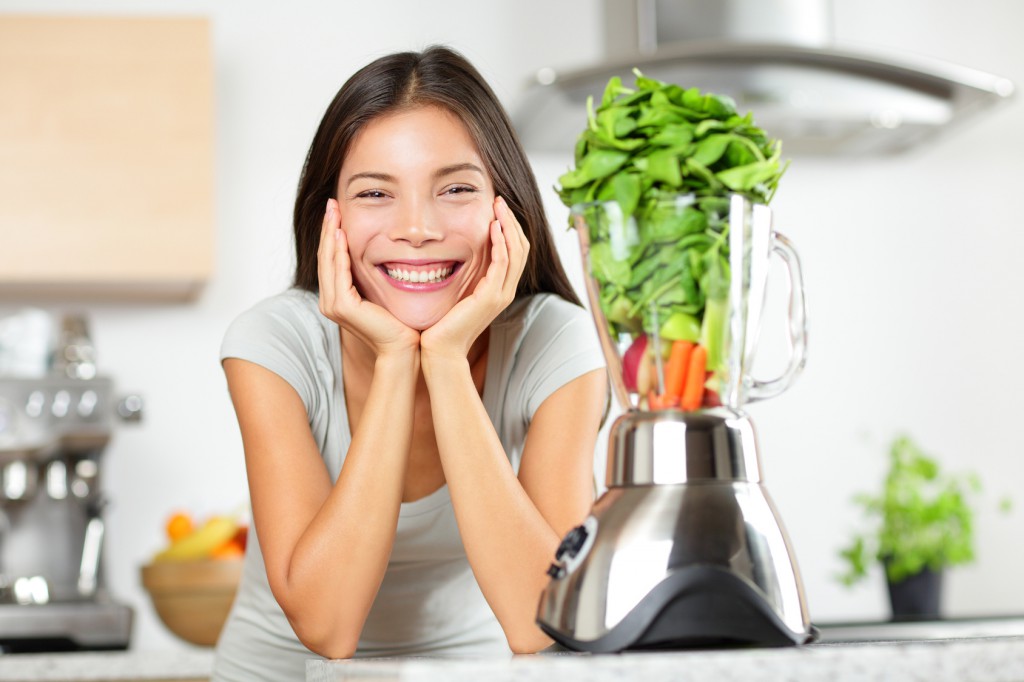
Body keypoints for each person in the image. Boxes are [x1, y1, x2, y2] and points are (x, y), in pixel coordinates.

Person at [212, 45, 608, 680]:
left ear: (504, 208)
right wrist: (399, 359)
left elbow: (545, 621)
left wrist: (445, 363)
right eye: (376, 193)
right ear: (329, 219)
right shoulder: (273, 345)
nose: (417, 228)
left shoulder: (557, 345)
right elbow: (328, 627)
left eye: (455, 188)